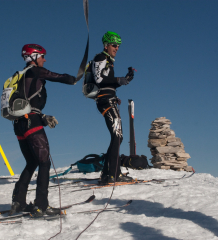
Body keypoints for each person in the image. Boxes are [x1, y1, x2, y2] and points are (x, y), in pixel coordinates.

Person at [9, 44, 77, 217]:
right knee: (44, 162)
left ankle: (18, 202)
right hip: (31, 122)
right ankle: (41, 205)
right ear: (33, 57)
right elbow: (60, 77)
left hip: (19, 124)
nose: (44, 60)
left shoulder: (20, 76)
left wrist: (43, 118)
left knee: (32, 163)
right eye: (42, 56)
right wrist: (75, 78)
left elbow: (29, 105)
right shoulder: (35, 71)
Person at [91, 31, 135, 183]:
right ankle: (113, 175)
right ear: (106, 45)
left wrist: (125, 80)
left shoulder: (108, 60)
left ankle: (107, 174)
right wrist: (119, 79)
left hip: (108, 99)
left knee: (117, 136)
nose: (117, 48)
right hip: (105, 100)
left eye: (118, 46)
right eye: (114, 45)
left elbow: (107, 82)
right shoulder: (101, 57)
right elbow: (99, 79)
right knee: (117, 136)